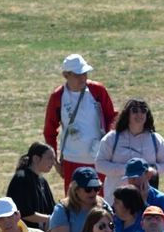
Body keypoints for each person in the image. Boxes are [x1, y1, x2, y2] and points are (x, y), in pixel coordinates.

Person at [43, 54, 115, 191]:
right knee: (74, 205)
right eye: (77, 74)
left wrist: (108, 141)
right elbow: (49, 131)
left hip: (99, 159)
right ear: (66, 75)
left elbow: (112, 116)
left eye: (85, 73)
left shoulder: (97, 90)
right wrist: (55, 162)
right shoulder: (57, 96)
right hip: (72, 160)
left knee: (100, 205)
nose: (83, 78)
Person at [93, 99, 164, 192]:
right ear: (127, 114)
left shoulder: (156, 139)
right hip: (116, 198)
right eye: (135, 110)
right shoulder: (112, 138)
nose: (139, 114)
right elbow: (99, 165)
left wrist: (149, 170)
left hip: (146, 197)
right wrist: (127, 169)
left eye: (143, 110)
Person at [48, 168, 108, 232]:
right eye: (88, 189)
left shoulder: (104, 205)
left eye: (96, 188)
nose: (93, 192)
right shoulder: (63, 210)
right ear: (76, 190)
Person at [6, 143, 59, 230]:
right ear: (36, 158)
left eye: (54, 158)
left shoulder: (42, 180)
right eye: (49, 158)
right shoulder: (21, 178)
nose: (53, 162)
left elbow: (52, 208)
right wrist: (49, 219)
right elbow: (24, 212)